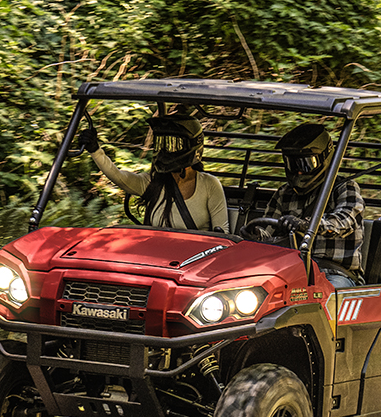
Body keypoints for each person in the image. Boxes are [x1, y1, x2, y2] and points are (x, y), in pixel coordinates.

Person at [78, 116, 228, 232]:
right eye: (163, 143)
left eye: (174, 145)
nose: (166, 151)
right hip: (156, 262)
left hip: (193, 266)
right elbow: (118, 177)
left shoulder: (209, 185)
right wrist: (95, 150)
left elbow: (222, 235)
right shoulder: (153, 182)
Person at [263, 123, 364, 288]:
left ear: (324, 158)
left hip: (334, 273)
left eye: (305, 164)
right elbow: (267, 230)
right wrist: (252, 235)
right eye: (293, 164)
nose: (299, 172)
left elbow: (344, 221)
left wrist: (306, 225)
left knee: (319, 298)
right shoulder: (284, 193)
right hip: (291, 270)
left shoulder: (345, 188)